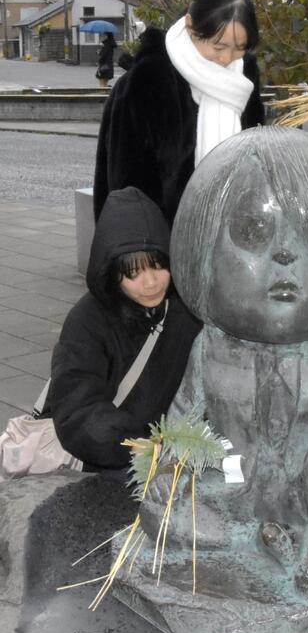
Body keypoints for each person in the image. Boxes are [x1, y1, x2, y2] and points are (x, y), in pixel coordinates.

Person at [48, 186, 201, 473]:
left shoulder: (187, 312)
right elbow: (77, 409)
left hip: (180, 458)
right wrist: (136, 445)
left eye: (158, 266)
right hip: (111, 464)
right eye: (133, 273)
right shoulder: (87, 322)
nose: (151, 283)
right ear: (112, 272)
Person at [93, 0, 265, 225]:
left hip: (231, 238)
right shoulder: (150, 77)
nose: (227, 58)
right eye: (218, 46)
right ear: (191, 25)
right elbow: (126, 184)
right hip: (162, 244)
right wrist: (144, 254)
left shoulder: (244, 75)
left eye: (240, 47)